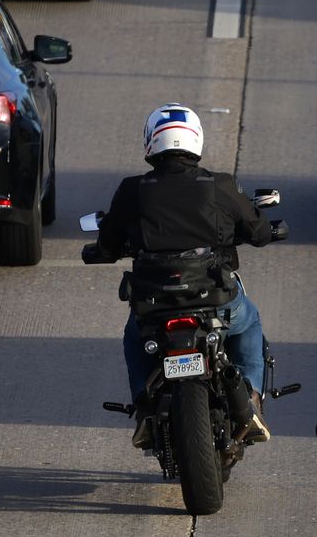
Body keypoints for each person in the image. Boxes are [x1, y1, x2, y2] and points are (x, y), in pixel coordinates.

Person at [93, 103, 275, 444]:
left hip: (154, 303)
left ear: (151, 142)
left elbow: (106, 245)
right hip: (214, 298)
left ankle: (144, 408)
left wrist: (99, 252)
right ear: (196, 140)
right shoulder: (220, 185)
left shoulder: (132, 190)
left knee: (134, 337)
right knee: (249, 322)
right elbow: (259, 232)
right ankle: (250, 399)